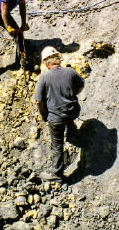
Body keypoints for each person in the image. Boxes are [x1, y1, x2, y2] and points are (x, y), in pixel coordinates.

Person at [33, 46, 85, 182]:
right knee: (68, 119)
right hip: (72, 112)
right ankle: (74, 134)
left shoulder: (43, 77)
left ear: (46, 63)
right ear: (58, 59)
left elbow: (38, 101)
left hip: (56, 118)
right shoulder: (70, 72)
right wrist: (73, 93)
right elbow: (81, 85)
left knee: (57, 145)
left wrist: (43, 114)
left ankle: (57, 173)